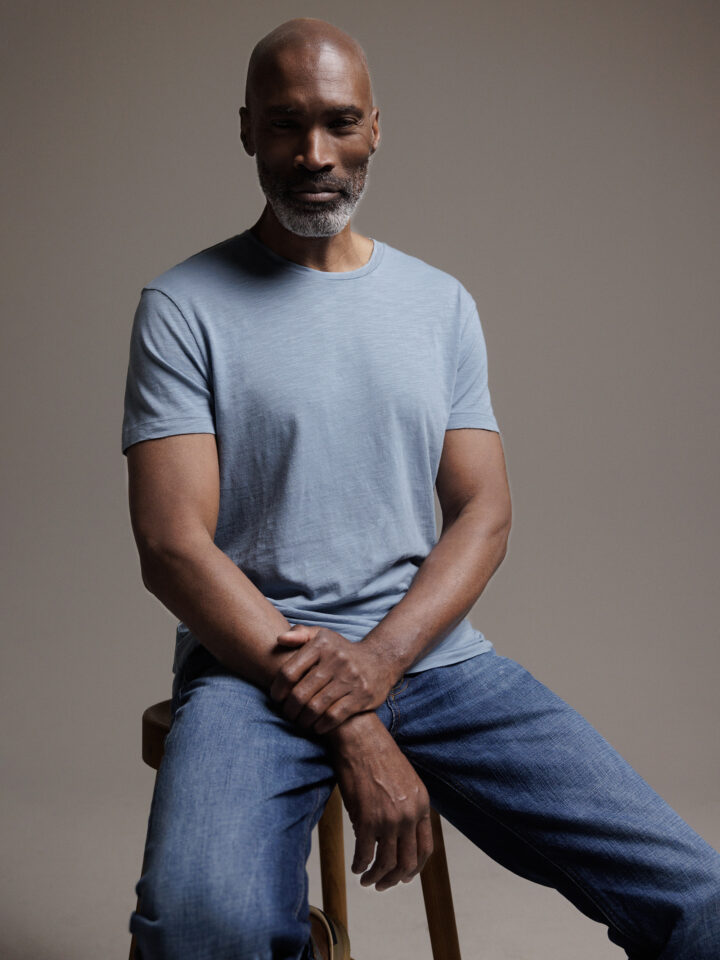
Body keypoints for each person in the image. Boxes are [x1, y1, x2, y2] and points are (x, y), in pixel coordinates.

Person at [122, 16, 720, 960]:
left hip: (433, 662)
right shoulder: (183, 306)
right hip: (251, 668)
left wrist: (379, 663)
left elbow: (484, 511)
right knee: (203, 928)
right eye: (285, 124)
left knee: (701, 900)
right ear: (246, 131)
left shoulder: (439, 304)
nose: (315, 154)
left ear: (374, 129)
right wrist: (352, 715)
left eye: (338, 122)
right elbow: (171, 546)